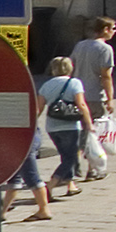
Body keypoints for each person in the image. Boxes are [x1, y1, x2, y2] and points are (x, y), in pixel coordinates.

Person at [38, 55, 94, 202]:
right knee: (71, 158)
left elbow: (39, 107)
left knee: (65, 155)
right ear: (70, 68)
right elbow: (81, 104)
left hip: (52, 127)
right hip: (70, 126)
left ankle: (71, 185)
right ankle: (50, 185)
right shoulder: (75, 83)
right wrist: (88, 123)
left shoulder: (46, 85)